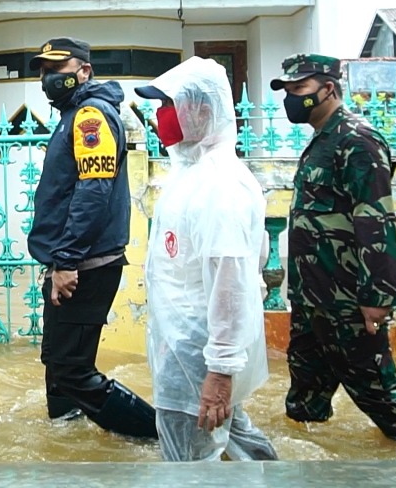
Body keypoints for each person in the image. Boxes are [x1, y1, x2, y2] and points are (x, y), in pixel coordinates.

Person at [271, 54, 396, 444]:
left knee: (379, 394)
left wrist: (377, 298)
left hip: (346, 298)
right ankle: (309, 462)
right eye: (288, 90)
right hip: (313, 296)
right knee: (305, 398)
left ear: (329, 89)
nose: (292, 98)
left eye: (300, 89)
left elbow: (375, 221)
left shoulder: (357, 140)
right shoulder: (323, 140)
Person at [135, 57, 278, 461]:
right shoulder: (193, 173)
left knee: (190, 465)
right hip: (187, 344)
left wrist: (220, 370)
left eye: (167, 105)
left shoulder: (220, 186)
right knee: (237, 442)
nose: (160, 116)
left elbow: (233, 281)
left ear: (199, 109)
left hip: (199, 351)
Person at [27, 37, 157, 439]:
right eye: (44, 70)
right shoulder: (72, 114)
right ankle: (68, 445)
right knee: (58, 367)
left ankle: (157, 434)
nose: (48, 77)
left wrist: (66, 261)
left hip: (85, 263)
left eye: (57, 68)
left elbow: (93, 190)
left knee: (71, 369)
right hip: (72, 260)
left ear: (84, 70)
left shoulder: (90, 117)